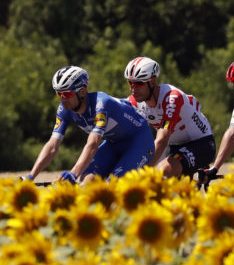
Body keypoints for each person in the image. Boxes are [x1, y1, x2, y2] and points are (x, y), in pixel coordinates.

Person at [24, 65, 154, 184]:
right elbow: (52, 146)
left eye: (67, 93)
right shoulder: (64, 110)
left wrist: (73, 173)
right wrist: (30, 177)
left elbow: (93, 144)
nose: (63, 99)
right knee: (87, 181)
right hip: (113, 143)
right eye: (59, 93)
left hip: (139, 141)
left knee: (113, 184)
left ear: (82, 91)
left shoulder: (101, 103)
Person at [124, 57, 215, 178]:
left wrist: (144, 171)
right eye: (130, 82)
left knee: (161, 172)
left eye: (139, 83)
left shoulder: (172, 97)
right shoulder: (134, 101)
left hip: (200, 144)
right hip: (173, 147)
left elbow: (162, 139)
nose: (133, 88)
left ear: (152, 81)